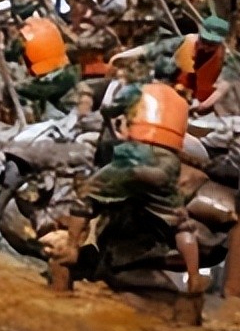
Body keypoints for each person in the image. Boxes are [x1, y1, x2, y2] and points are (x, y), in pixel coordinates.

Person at [88, 57, 210, 294]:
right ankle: (194, 277)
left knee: (86, 193)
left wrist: (118, 129)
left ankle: (71, 248)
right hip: (167, 163)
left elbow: (107, 110)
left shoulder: (137, 90)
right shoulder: (181, 102)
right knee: (181, 223)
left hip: (134, 155)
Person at [110, 16, 234, 115]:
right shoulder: (187, 41)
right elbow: (152, 48)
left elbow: (222, 88)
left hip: (198, 104)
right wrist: (122, 55)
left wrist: (203, 105)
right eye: (204, 41)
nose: (205, 47)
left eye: (211, 45)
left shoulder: (226, 57)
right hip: (174, 90)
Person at [8, 10, 80, 115]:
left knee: (13, 89)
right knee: (52, 98)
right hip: (69, 73)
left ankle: (32, 115)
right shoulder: (49, 24)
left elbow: (11, 55)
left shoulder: (23, 35)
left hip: (51, 81)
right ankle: (64, 113)